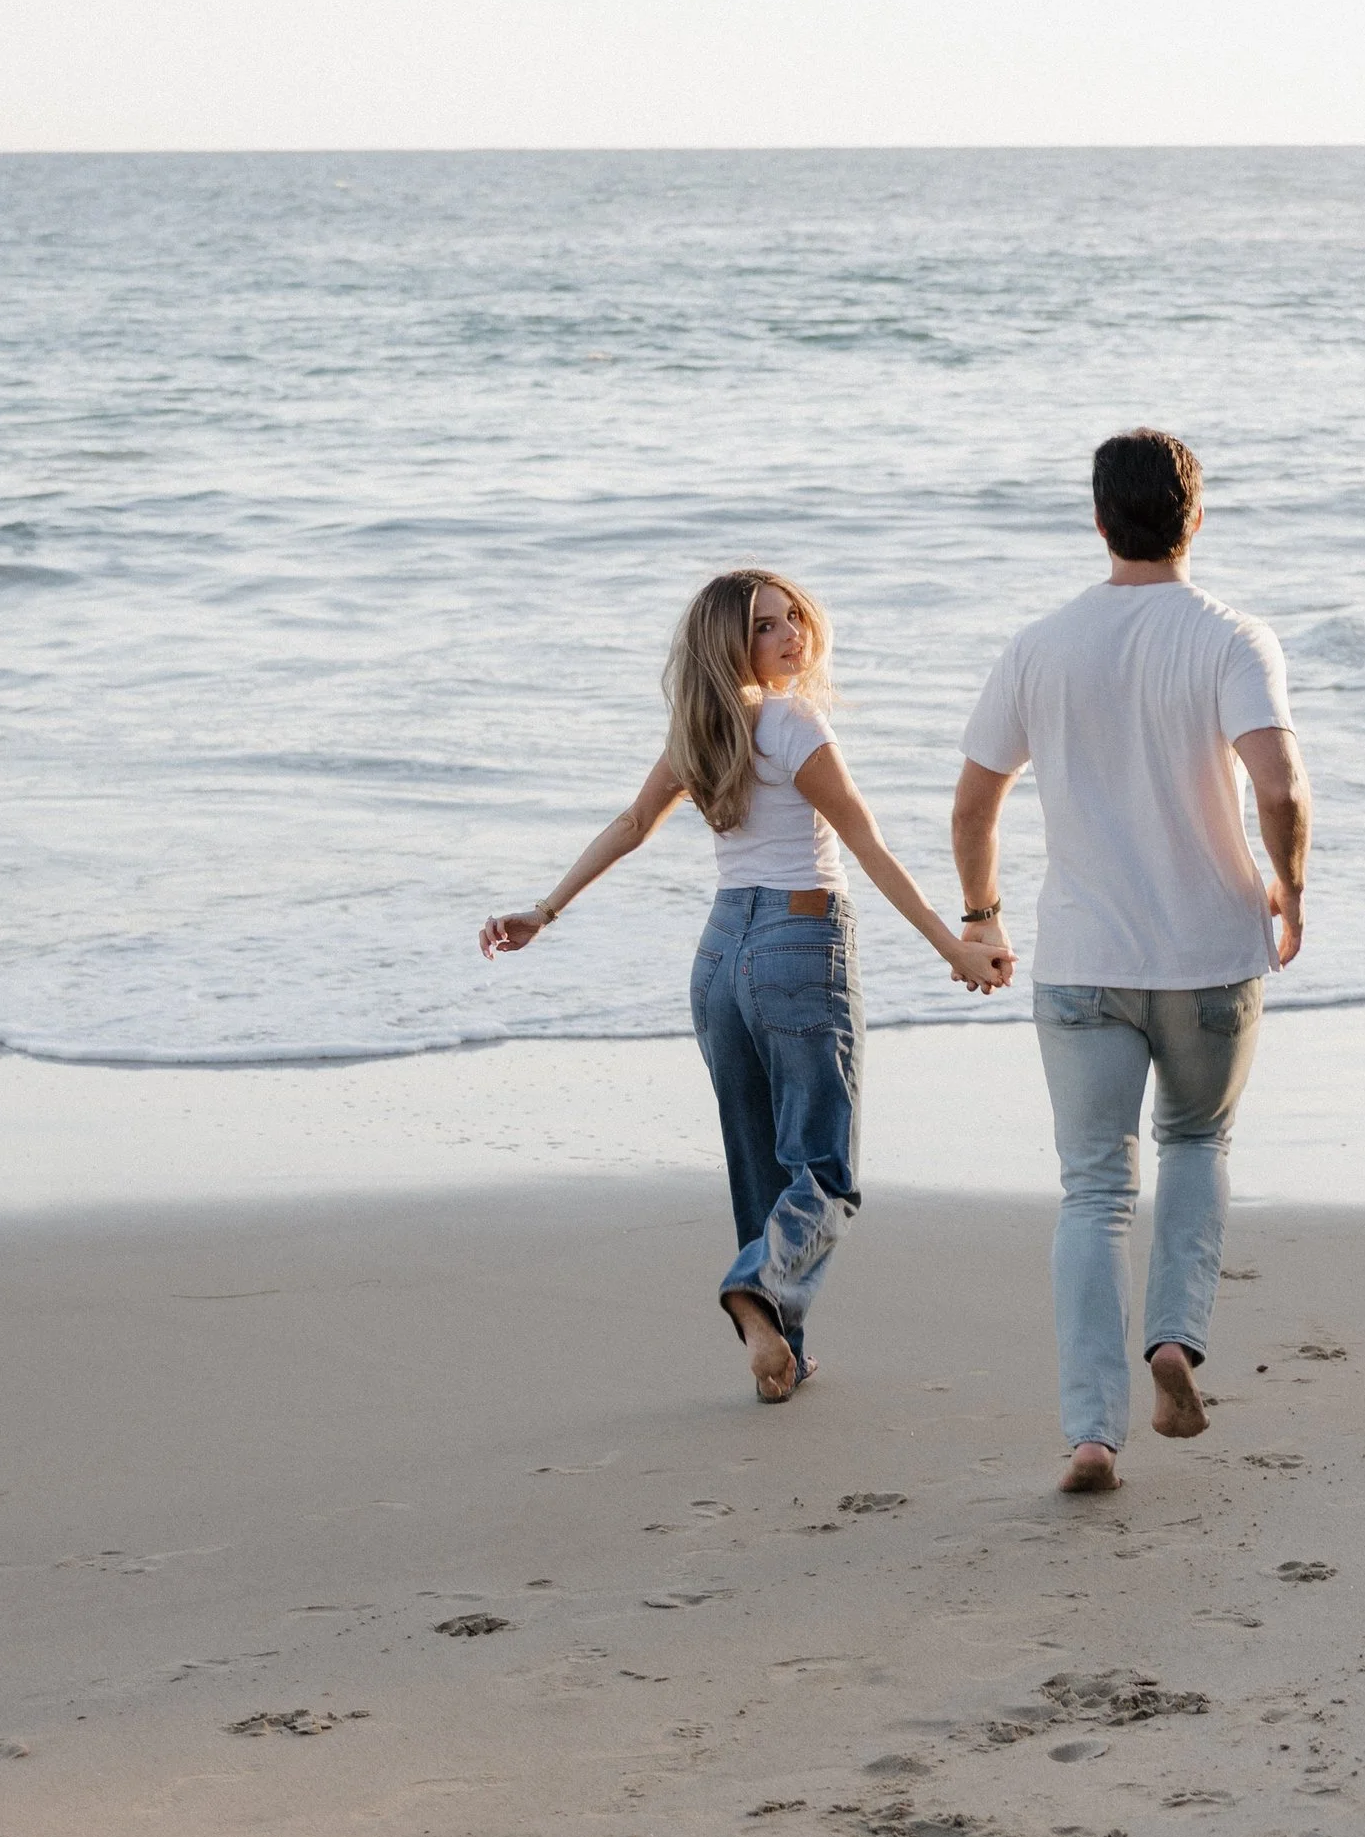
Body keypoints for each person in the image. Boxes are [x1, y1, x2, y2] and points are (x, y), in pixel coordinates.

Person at [480, 570, 1005, 1403]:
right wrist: (953, 944)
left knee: (758, 1164)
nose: (791, 634)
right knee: (824, 1169)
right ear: (729, 644)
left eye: (793, 617)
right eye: (766, 626)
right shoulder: (794, 721)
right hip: (800, 944)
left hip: (721, 956)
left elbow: (628, 827)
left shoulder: (701, 731)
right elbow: (864, 842)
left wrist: (545, 910)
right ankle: (760, 1292)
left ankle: (779, 1351)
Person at [951, 431, 1310, 1494]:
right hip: (1207, 953)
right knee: (1196, 1142)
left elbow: (974, 801)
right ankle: (1176, 1342)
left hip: (1081, 959)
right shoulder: (1230, 637)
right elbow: (1280, 786)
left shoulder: (1039, 646)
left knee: (1093, 1192)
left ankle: (1091, 1434)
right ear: (1194, 519)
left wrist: (981, 915)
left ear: (1099, 521)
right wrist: (1290, 883)